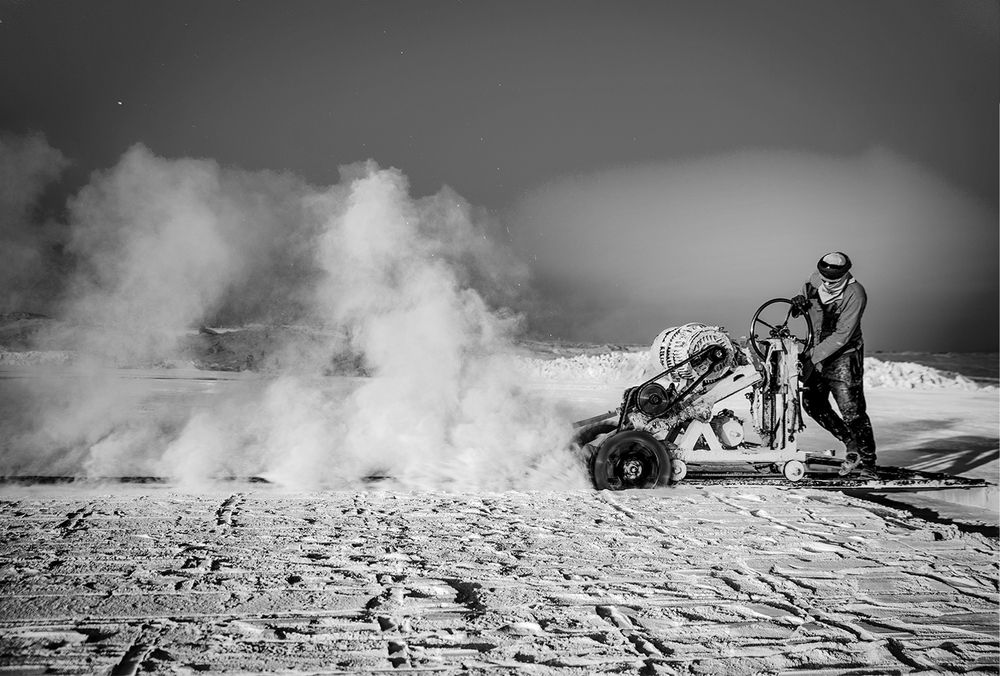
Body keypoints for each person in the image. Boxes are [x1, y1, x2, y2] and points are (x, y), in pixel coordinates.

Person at [790, 252, 877, 478]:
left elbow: (842, 335)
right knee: (812, 403)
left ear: (845, 274)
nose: (827, 284)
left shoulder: (855, 294)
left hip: (844, 356)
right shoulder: (813, 281)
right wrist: (798, 305)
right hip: (817, 350)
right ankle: (850, 443)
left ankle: (868, 465)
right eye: (824, 280)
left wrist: (811, 357)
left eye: (833, 281)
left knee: (852, 411)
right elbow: (804, 309)